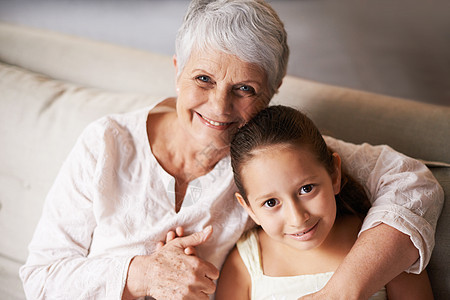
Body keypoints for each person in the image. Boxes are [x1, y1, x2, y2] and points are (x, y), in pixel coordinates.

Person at [19, 0, 443, 299]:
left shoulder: (267, 159)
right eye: (203, 79)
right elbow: (40, 280)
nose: (219, 108)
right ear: (177, 72)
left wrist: (342, 291)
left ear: (272, 95)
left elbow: (412, 182)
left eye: (244, 89)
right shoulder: (106, 143)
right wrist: (143, 275)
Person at [215, 105, 434, 299]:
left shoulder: (383, 243)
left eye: (306, 189)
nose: (297, 218)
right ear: (250, 209)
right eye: (271, 202)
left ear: (334, 174)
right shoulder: (246, 263)